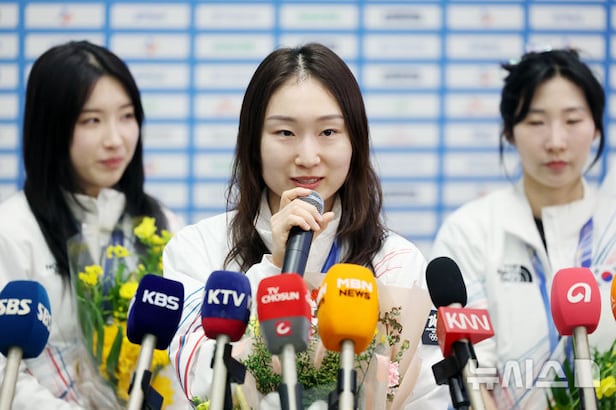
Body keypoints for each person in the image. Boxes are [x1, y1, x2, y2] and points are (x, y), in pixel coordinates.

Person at [163, 43, 449, 408]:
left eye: (328, 132)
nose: (308, 157)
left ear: (355, 141)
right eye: (285, 133)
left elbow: (427, 396)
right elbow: (202, 383)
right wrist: (275, 269)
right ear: (253, 142)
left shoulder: (396, 260)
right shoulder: (198, 248)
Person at [0, 41, 188, 408]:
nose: (115, 139)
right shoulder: (12, 231)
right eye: (92, 120)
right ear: (51, 128)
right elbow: (6, 373)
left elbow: (183, 356)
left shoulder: (161, 223)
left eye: (126, 116)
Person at [431, 48, 616, 409]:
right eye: (535, 122)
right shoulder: (469, 231)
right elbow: (470, 370)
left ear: (596, 126)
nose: (556, 141)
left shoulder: (612, 224)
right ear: (509, 132)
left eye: (573, 120)